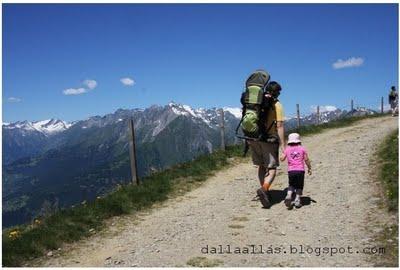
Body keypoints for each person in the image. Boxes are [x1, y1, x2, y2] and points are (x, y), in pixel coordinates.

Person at [248, 81, 286, 208]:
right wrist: (283, 145)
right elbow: (279, 126)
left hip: (253, 137)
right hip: (268, 139)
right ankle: (264, 189)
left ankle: (265, 192)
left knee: (261, 166)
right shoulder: (277, 105)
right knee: (272, 168)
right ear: (277, 92)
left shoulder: (256, 102)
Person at [280, 133, 311, 209]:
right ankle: (297, 200)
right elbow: (306, 159)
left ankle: (289, 195)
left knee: (291, 185)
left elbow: (282, 159)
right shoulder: (302, 148)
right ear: (299, 140)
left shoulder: (287, 149)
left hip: (291, 171)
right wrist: (309, 167)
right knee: (299, 186)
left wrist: (284, 152)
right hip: (300, 170)